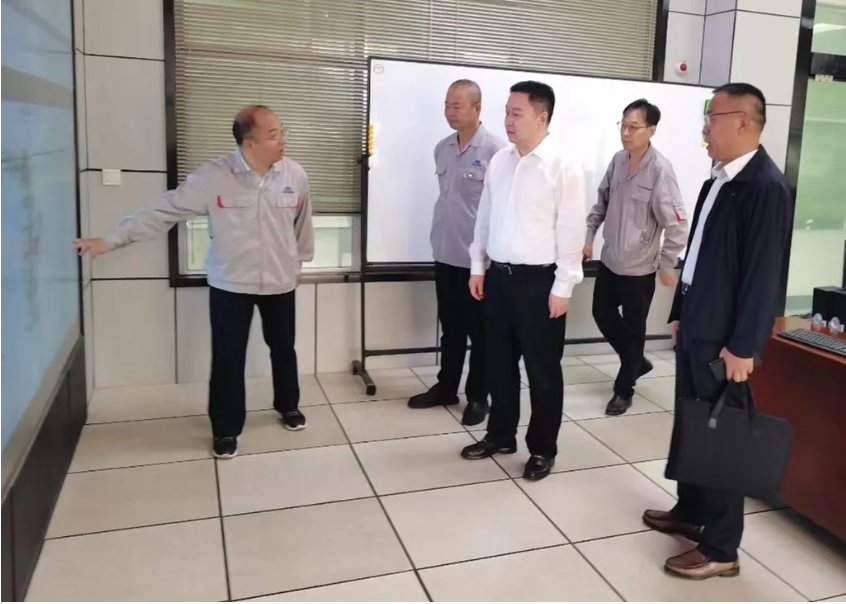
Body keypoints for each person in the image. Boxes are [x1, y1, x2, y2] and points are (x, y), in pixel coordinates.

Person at [73, 106, 314, 460]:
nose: (283, 141)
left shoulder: (294, 174)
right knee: (228, 357)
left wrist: (299, 262)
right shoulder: (214, 177)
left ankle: (288, 405)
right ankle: (226, 428)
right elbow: (164, 209)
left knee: (283, 346)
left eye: (282, 132)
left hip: (280, 280)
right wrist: (110, 240)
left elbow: (302, 222)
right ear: (249, 144)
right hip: (232, 283)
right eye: (274, 135)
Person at [642, 83, 792, 579]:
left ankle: (722, 548)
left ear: (744, 121)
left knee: (723, 438)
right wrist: (680, 311)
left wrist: (744, 345)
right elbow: (699, 255)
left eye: (713, 117)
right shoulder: (718, 180)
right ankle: (691, 510)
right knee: (693, 425)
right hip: (698, 325)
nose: (705, 127)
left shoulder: (765, 187)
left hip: (726, 340)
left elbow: (763, 275)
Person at [460, 81, 586, 481]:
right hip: (499, 278)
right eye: (506, 112)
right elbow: (485, 216)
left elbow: (572, 231)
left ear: (542, 117)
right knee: (499, 363)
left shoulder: (562, 166)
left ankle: (542, 449)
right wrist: (478, 265)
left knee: (542, 371)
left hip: (540, 283)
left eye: (517, 114)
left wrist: (563, 286)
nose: (508, 121)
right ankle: (500, 435)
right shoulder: (500, 160)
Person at [407, 80, 505, 426]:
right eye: (447, 105)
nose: (450, 112)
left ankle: (478, 396)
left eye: (457, 106)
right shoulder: (443, 148)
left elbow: (500, 210)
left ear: (477, 108)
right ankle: (446, 387)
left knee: (481, 333)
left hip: (478, 262)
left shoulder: (496, 152)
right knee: (451, 328)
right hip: (446, 252)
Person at [585, 99, 689, 416]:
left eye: (634, 127)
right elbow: (600, 203)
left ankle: (624, 389)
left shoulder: (660, 170)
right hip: (610, 260)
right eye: (623, 125)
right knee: (601, 313)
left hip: (640, 269)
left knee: (634, 330)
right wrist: (588, 237)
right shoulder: (618, 161)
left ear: (651, 130)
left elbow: (677, 225)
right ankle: (636, 361)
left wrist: (667, 263)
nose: (626, 132)